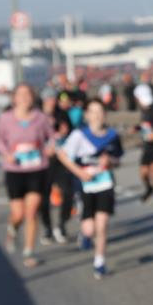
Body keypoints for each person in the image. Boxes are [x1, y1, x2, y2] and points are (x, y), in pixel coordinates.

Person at [56, 99, 124, 279]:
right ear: (86, 115)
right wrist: (79, 172)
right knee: (89, 229)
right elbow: (62, 155)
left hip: (105, 184)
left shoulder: (112, 135)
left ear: (105, 114)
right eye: (92, 111)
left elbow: (118, 160)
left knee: (102, 225)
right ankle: (84, 235)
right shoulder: (79, 135)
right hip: (84, 186)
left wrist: (110, 162)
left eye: (100, 111)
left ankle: (99, 262)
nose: (97, 115)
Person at [0, 84, 55, 268]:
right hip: (14, 170)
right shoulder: (5, 119)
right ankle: (12, 229)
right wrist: (7, 154)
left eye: (28, 94)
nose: (24, 97)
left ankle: (29, 251)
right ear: (14, 98)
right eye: (20, 94)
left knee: (31, 211)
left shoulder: (41, 118)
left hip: (37, 167)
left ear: (33, 97)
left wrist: (50, 147)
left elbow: (51, 137)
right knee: (18, 213)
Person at [39, 94, 74, 244]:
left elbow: (72, 134)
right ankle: (47, 228)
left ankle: (61, 224)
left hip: (61, 159)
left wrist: (65, 132)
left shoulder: (62, 114)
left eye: (53, 99)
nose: (51, 102)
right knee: (43, 197)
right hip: (43, 161)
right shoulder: (37, 116)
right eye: (48, 99)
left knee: (68, 192)